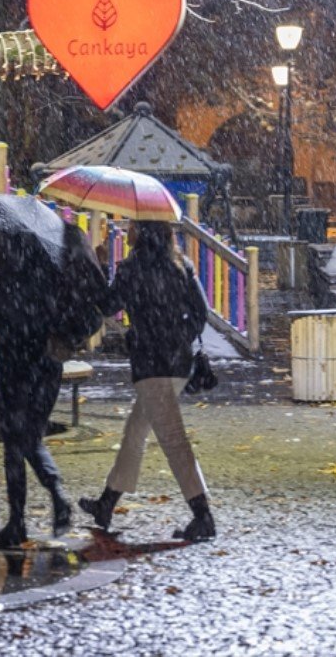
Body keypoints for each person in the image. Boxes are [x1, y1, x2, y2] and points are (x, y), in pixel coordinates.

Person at [79, 219, 215, 541]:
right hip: (178, 363)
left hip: (150, 366)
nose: (127, 231)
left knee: (173, 441)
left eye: (133, 226)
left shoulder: (131, 269)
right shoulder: (181, 266)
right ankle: (106, 503)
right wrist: (177, 336)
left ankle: (203, 516)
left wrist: (98, 267)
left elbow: (107, 306)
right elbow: (201, 311)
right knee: (136, 431)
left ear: (144, 233)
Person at [0, 244, 75, 547]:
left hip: (14, 367)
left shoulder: (8, 276)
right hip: (48, 369)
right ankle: (56, 493)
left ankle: (18, 521)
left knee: (15, 443)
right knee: (31, 437)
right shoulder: (60, 275)